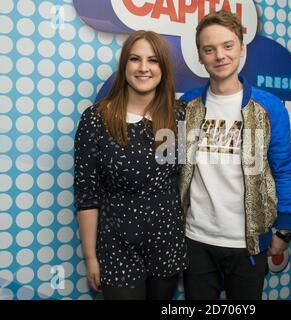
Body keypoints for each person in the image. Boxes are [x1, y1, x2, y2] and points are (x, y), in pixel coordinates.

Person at [179, 10, 291, 300]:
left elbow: (282, 168)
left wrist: (285, 228)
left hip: (249, 242)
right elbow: (175, 165)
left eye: (227, 46)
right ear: (200, 56)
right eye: (210, 49)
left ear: (241, 48)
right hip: (196, 238)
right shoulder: (186, 105)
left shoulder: (269, 107)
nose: (220, 55)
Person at [74, 30, 187, 300]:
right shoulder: (96, 119)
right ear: (125, 64)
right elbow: (87, 195)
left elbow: (188, 179)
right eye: (135, 59)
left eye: (153, 60)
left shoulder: (180, 115)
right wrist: (91, 257)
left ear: (163, 68)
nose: (144, 68)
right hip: (117, 247)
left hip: (168, 243)